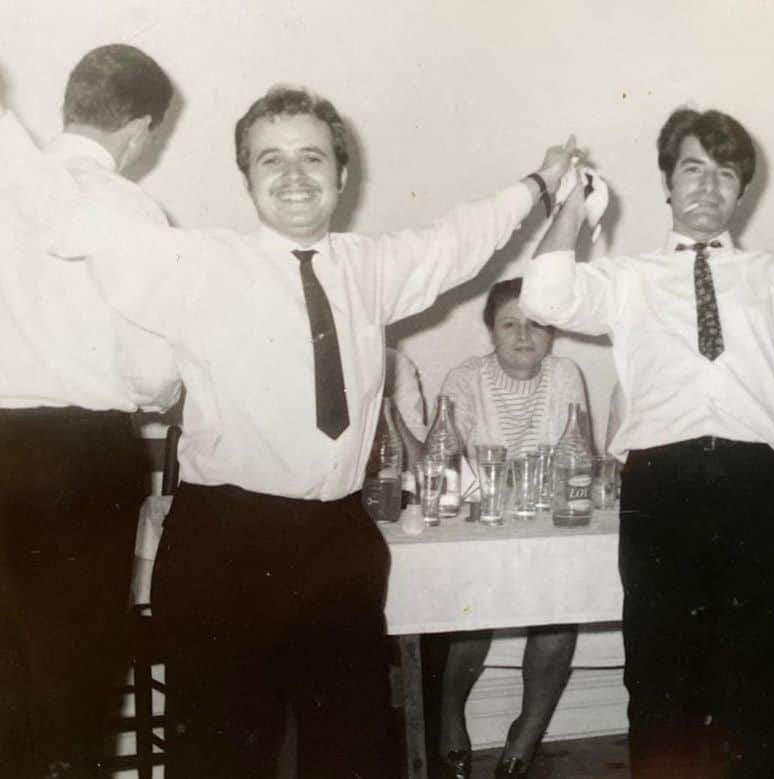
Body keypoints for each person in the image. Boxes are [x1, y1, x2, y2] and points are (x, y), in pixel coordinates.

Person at [6, 85, 575, 778]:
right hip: (224, 546)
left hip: (338, 543)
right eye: (269, 160)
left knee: (353, 756)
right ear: (246, 178)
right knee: (220, 760)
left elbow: (460, 238)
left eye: (311, 157)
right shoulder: (198, 264)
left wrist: (542, 183)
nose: (294, 175)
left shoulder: (371, 268)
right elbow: (67, 216)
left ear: (342, 173)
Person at [522, 107, 774, 777]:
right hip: (662, 482)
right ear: (668, 183)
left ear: (743, 192)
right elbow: (543, 295)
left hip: (757, 482)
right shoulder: (629, 276)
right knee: (658, 676)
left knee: (754, 680)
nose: (709, 187)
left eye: (726, 173)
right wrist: (571, 205)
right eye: (692, 169)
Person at [0, 45, 181, 778]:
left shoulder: (10, 181)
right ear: (139, 130)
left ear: (68, 105)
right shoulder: (131, 209)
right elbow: (154, 367)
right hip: (80, 455)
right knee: (76, 671)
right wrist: (165, 393)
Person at [436, 277, 588, 778]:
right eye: (510, 324)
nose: (524, 336)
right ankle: (449, 717)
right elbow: (448, 462)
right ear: (491, 331)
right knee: (472, 616)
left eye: (537, 325)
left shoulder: (565, 372)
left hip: (547, 521)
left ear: (552, 333)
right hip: (484, 521)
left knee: (558, 614)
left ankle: (526, 732)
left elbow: (578, 452)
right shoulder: (464, 377)